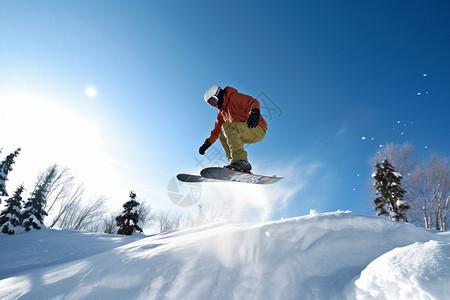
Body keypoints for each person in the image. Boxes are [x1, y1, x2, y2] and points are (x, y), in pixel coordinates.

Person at [199, 85, 267, 173]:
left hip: (257, 128)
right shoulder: (221, 114)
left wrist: (254, 112)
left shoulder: (233, 98)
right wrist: (207, 143)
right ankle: (234, 163)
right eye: (211, 103)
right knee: (222, 136)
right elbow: (216, 131)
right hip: (245, 131)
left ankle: (240, 161)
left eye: (214, 101)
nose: (214, 105)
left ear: (219, 95)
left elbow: (252, 102)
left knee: (226, 127)